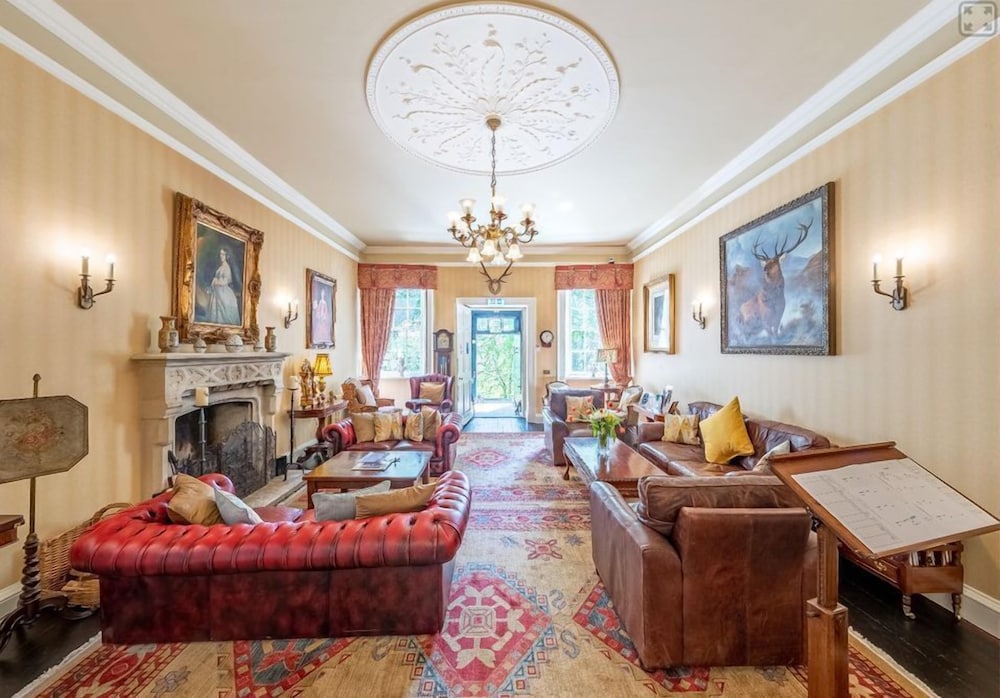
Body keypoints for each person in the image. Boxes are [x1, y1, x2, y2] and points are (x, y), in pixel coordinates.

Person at [205, 248, 241, 325]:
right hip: (217, 292)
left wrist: (216, 281)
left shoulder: (226, 267)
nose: (221, 256)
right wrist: (214, 282)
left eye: (223, 254)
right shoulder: (221, 267)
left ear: (226, 256)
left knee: (223, 314)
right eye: (220, 254)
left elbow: (225, 281)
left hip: (224, 292)